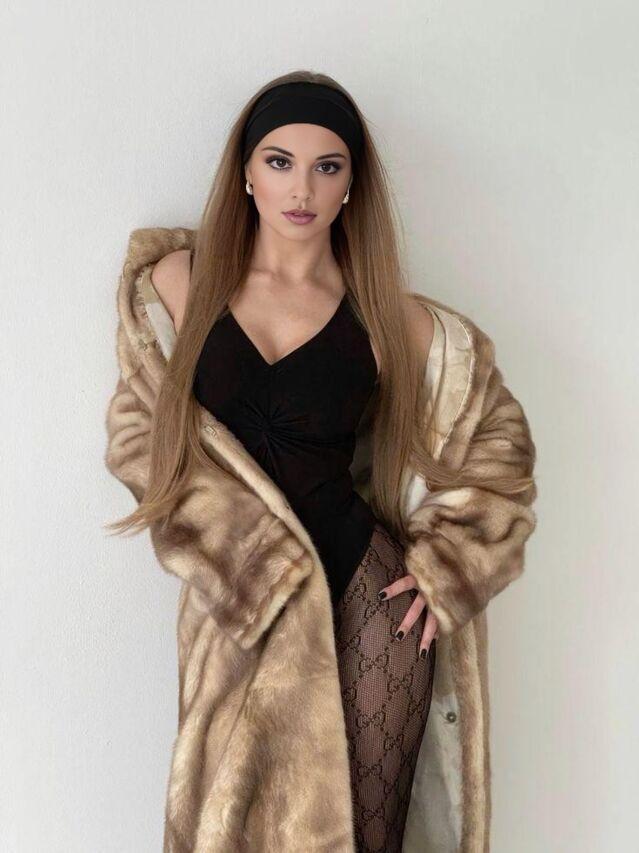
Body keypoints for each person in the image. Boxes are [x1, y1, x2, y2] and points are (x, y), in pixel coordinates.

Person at [105, 70, 538, 853]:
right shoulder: (180, 283)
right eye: (279, 161)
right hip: (243, 602)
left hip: (369, 600)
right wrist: (224, 551)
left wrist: (449, 565)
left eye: (326, 166)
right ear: (245, 172)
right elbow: (137, 435)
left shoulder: (390, 319)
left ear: (350, 184)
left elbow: (495, 445)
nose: (301, 187)